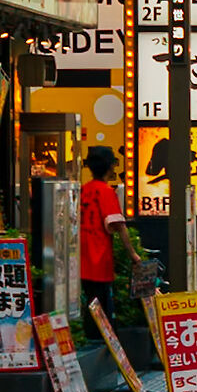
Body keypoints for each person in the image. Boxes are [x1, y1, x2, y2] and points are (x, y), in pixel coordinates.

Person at [79, 145, 141, 341]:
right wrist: (133, 254)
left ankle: (90, 336)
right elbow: (118, 225)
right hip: (99, 256)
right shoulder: (105, 192)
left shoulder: (84, 190)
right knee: (101, 305)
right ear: (109, 167)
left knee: (89, 301)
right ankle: (100, 340)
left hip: (81, 256)